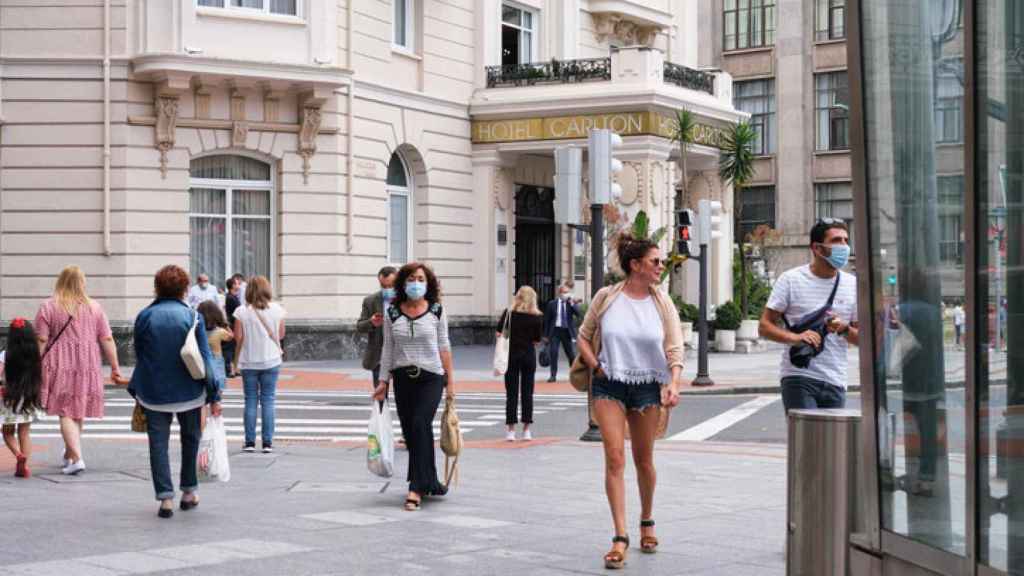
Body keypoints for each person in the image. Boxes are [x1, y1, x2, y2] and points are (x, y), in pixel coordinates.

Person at [575, 233, 683, 569]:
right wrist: (595, 365)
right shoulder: (607, 297)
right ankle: (620, 536)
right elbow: (583, 335)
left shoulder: (661, 302)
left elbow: (674, 346)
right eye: (655, 261)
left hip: (648, 386)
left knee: (644, 460)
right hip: (609, 384)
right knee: (614, 458)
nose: (660, 266)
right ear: (635, 265)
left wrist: (674, 383)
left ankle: (647, 519)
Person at [129, 265, 222, 518]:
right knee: (190, 440)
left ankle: (165, 499)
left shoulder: (145, 316)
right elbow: (206, 359)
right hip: (190, 391)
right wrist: (214, 394)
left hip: (154, 391)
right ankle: (189, 491)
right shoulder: (193, 317)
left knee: (157, 445)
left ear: (157, 287)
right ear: (184, 288)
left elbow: (140, 354)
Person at [373, 262, 456, 511]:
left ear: (428, 283)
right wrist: (383, 381)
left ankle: (416, 488)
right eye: (411, 279)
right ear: (403, 283)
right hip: (403, 379)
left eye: (420, 279)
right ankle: (431, 481)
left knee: (421, 423)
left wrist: (450, 382)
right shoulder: (392, 313)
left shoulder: (437, 311)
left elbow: (444, 346)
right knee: (412, 433)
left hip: (431, 377)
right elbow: (388, 349)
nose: (416, 283)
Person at [758, 219, 859, 412]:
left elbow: (863, 339)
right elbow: (765, 326)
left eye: (846, 240)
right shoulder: (791, 280)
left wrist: (843, 328)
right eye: (837, 240)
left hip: (836, 379)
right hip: (798, 376)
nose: (844, 247)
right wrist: (796, 338)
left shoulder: (852, 285)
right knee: (806, 441)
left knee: (832, 442)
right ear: (817, 248)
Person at [35, 265, 127, 475]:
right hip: (87, 363)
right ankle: (70, 454)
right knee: (77, 409)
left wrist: (35, 362)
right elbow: (107, 338)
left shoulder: (48, 306)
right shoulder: (94, 307)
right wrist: (115, 367)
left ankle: (76, 458)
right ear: (82, 283)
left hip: (59, 363)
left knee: (65, 411)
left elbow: (41, 338)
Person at [233, 275, 286, 453]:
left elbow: (238, 337)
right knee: (268, 400)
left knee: (250, 400)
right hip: (271, 359)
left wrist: (235, 359)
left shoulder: (241, 311)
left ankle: (249, 442)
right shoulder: (277, 309)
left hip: (248, 361)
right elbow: (281, 334)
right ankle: (267, 443)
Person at [496, 286, 544, 442]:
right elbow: (537, 340)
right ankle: (526, 429)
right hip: (528, 356)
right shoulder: (537, 317)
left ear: (518, 297)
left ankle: (510, 430)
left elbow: (499, 333)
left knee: (511, 393)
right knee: (527, 393)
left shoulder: (509, 313)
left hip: (511, 356)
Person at [1, 318, 43, 478]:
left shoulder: (5, 355)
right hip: (28, 397)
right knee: (24, 433)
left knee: (8, 432)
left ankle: (18, 455)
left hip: (8, 399)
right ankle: (24, 467)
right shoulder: (34, 355)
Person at [358, 266, 398, 388]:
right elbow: (360, 326)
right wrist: (371, 322)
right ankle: (381, 407)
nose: (387, 289)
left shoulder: (406, 300)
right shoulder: (370, 301)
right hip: (379, 355)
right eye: (383, 286)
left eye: (390, 286)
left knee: (403, 396)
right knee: (380, 395)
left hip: (402, 354)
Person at [543, 282, 582, 382]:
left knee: (571, 354)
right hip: (555, 331)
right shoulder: (552, 304)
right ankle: (553, 375)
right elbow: (547, 320)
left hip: (566, 332)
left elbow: (578, 314)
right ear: (560, 293)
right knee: (554, 353)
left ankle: (574, 375)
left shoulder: (570, 304)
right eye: (565, 292)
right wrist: (545, 336)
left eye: (568, 292)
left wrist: (572, 303)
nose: (566, 294)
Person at [198, 301, 233, 393]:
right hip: (216, 360)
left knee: (203, 392)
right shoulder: (220, 331)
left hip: (201, 360)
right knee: (218, 390)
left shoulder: (197, 331)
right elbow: (231, 336)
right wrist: (225, 325)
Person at [223, 276, 242, 378]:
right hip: (232, 325)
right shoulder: (230, 297)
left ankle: (235, 369)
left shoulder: (234, 297)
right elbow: (236, 312)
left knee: (235, 348)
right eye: (237, 283)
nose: (239, 285)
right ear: (232, 286)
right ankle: (230, 370)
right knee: (230, 349)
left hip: (235, 325)